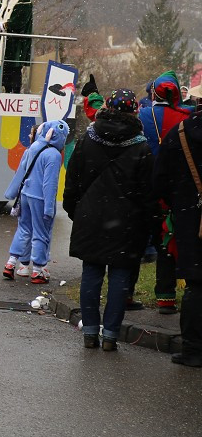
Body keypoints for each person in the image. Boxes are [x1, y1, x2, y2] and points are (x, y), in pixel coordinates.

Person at [63, 90, 158, 351]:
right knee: (120, 278)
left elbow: (72, 183)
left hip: (91, 216)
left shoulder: (87, 140)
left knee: (91, 274)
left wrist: (76, 211)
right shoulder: (141, 147)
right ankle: (111, 335)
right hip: (127, 222)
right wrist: (150, 223)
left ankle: (90, 332)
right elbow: (148, 193)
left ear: (108, 107)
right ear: (134, 112)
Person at [153, 106, 202, 367]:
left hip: (190, 217)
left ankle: (194, 349)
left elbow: (159, 179)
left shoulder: (180, 134)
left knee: (196, 283)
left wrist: (179, 201)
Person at [139, 71, 190, 315]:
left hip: (146, 186)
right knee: (178, 240)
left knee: (152, 243)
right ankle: (188, 292)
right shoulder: (185, 117)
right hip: (178, 188)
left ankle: (163, 297)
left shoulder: (142, 115)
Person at [3, 119, 69, 285]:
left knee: (24, 229)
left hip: (25, 193)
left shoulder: (33, 148)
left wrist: (11, 192)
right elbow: (50, 184)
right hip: (40, 197)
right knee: (41, 233)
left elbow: (21, 172)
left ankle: (11, 263)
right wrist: (48, 208)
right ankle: (38, 271)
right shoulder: (53, 155)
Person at [0, 0, 33, 93]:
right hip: (5, 40)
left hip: (17, 40)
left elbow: (21, 21)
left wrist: (5, 25)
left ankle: (15, 93)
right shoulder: (5, 0)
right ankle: (7, 90)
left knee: (15, 68)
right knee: (5, 68)